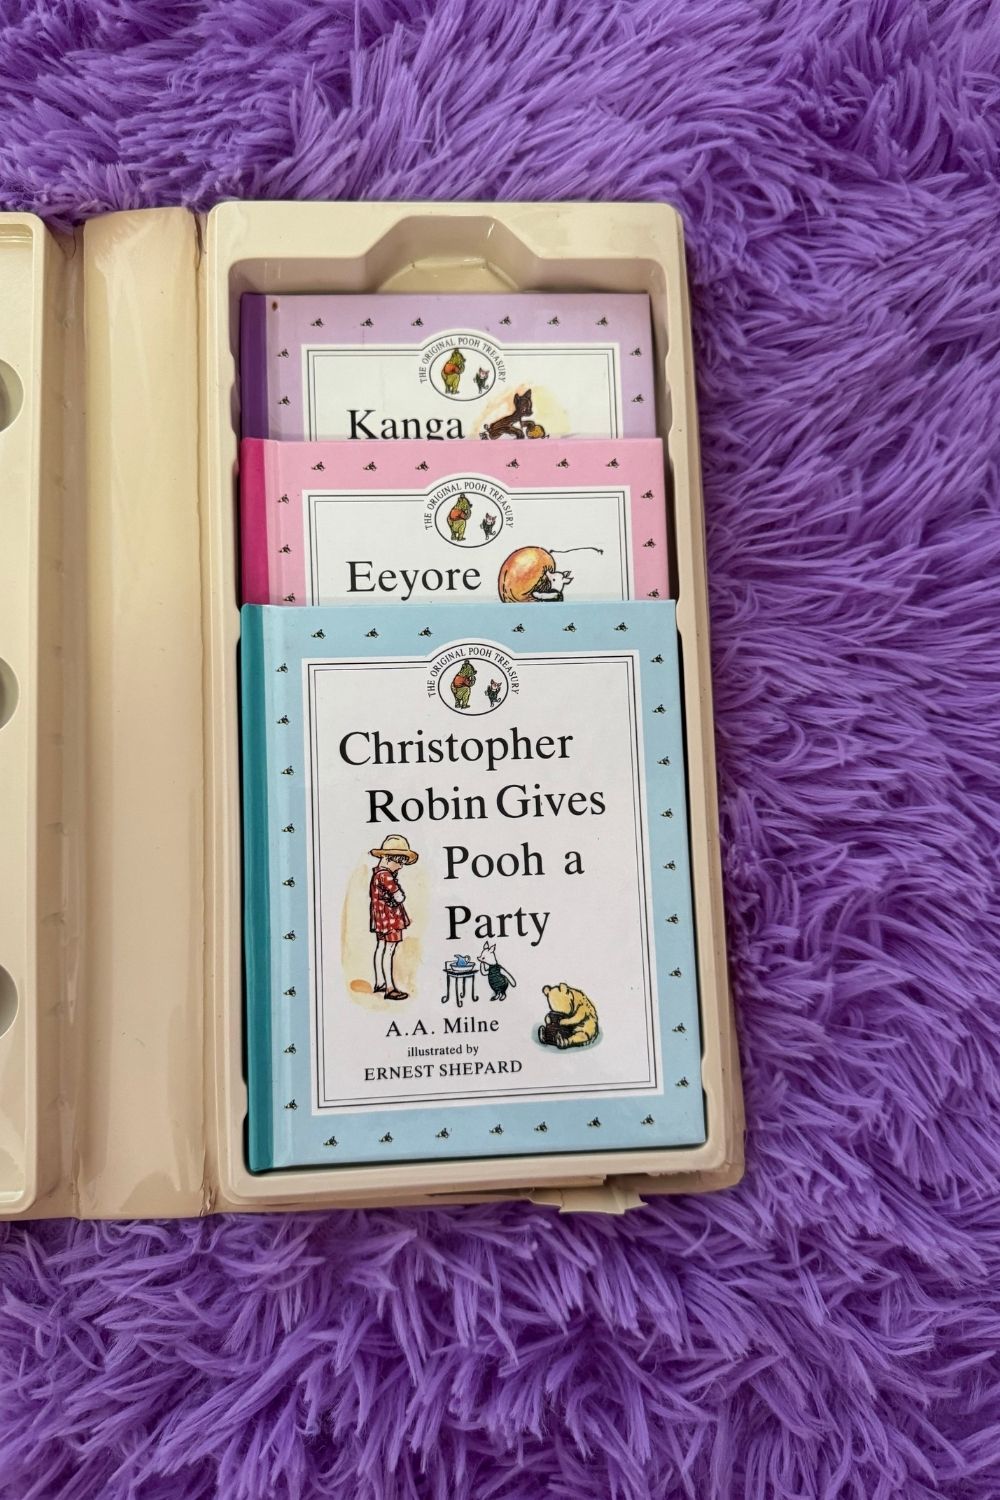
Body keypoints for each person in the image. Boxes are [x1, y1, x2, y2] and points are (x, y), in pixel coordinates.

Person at [368, 834, 418, 1000]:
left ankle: (380, 982)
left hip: (380, 919)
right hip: (390, 919)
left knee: (381, 947)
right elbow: (399, 896)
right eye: (400, 862)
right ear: (390, 859)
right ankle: (389, 988)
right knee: (389, 950)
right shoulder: (386, 876)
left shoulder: (377, 874)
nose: (401, 866)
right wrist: (398, 896)